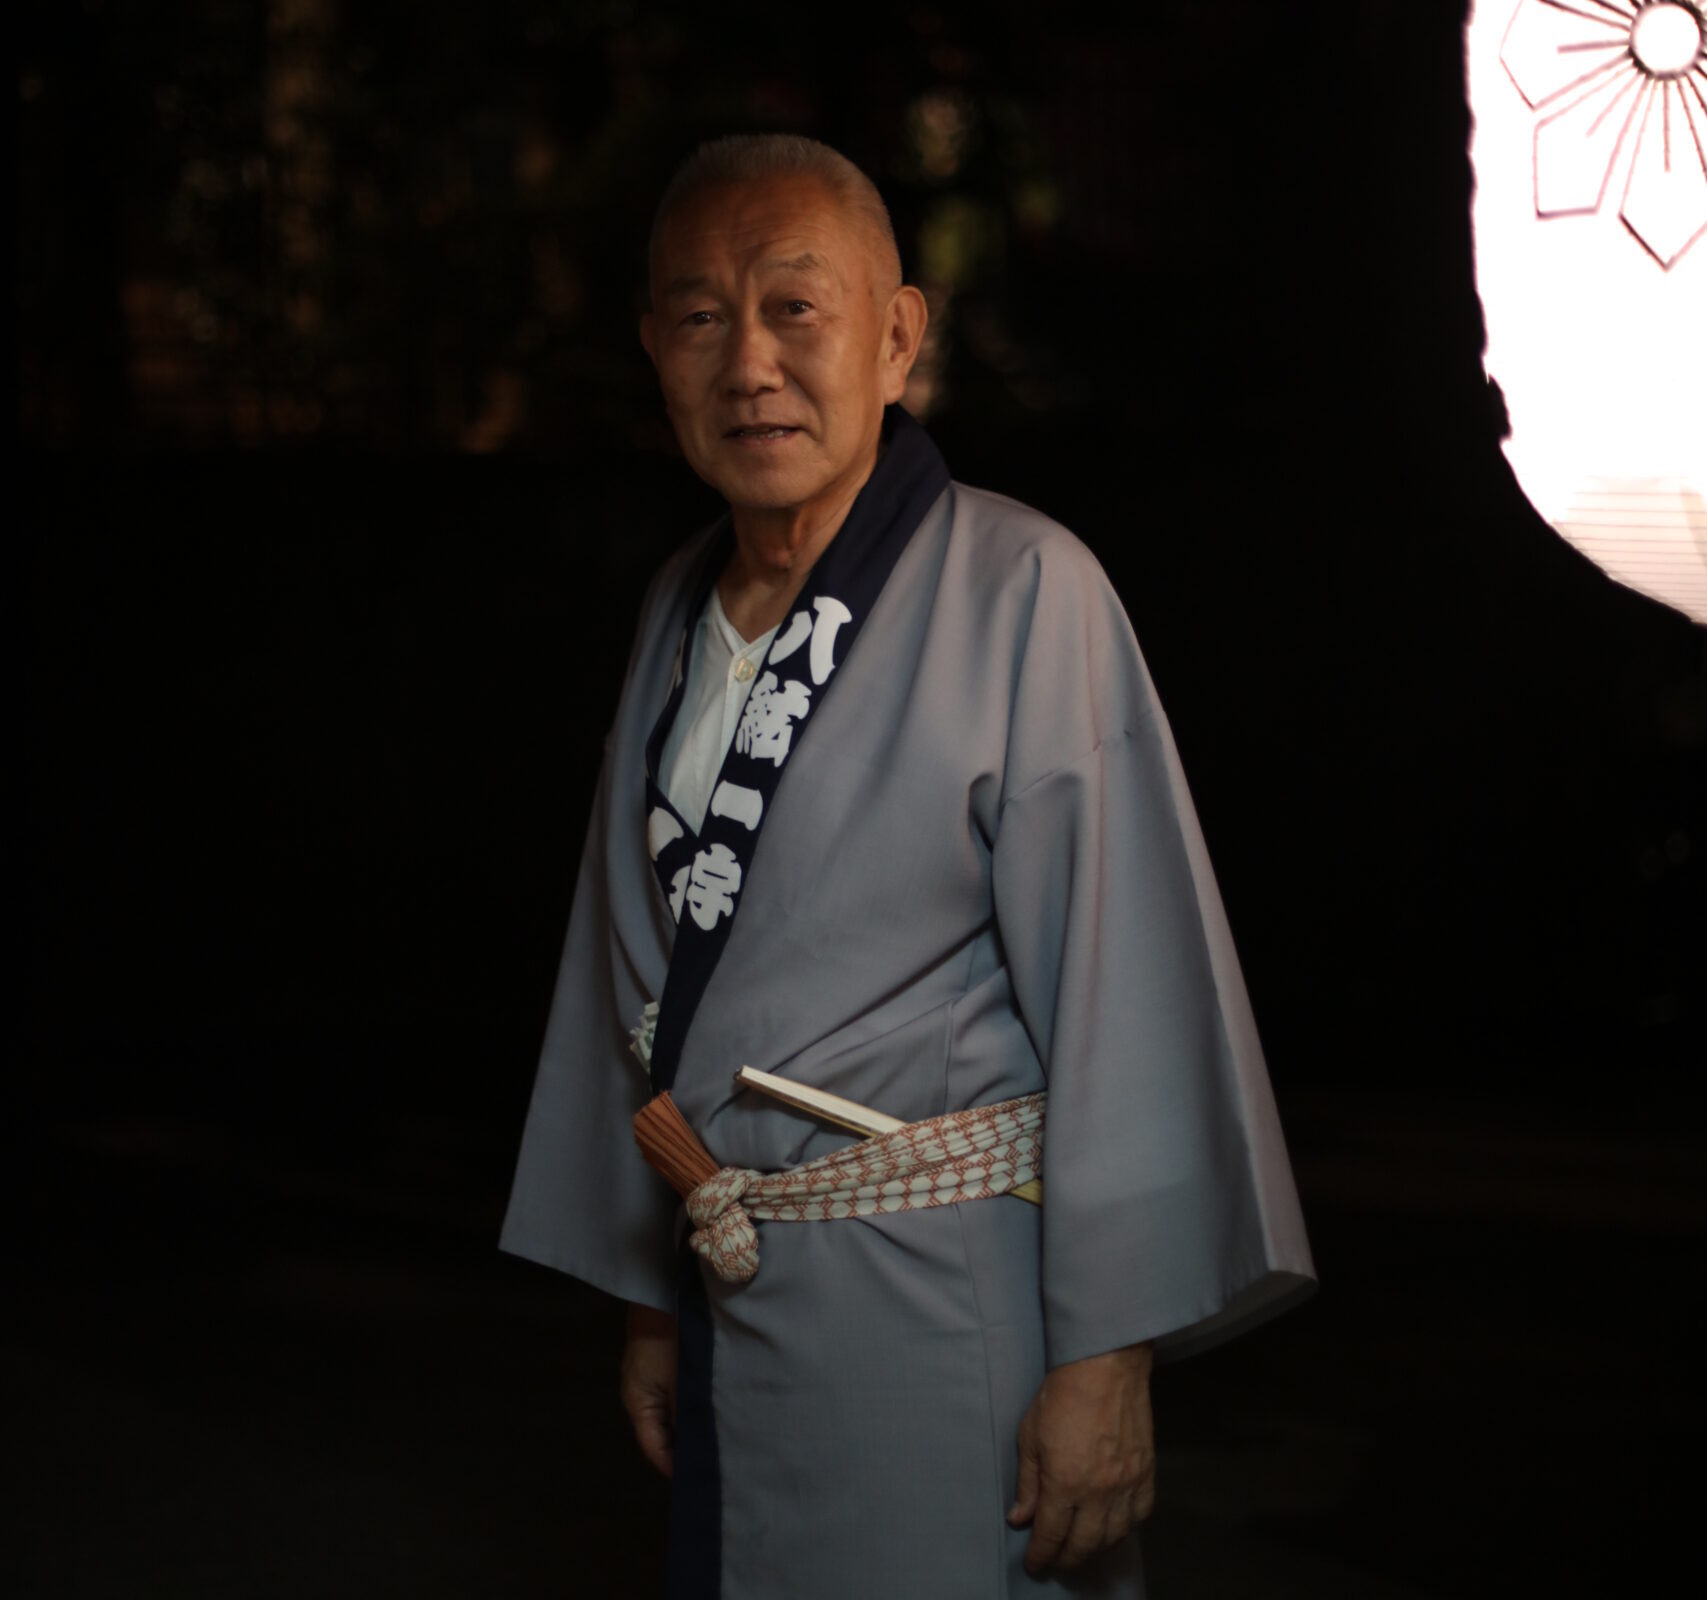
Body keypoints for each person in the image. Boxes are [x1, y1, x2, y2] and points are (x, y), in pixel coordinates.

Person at [501, 133, 1315, 1600]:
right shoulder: (675, 611)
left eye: (795, 308)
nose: (749, 362)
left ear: (897, 335)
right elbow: (630, 973)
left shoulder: (1025, 587)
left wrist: (1107, 1362)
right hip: (726, 1282)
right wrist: (646, 1303)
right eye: (700, 318)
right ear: (653, 350)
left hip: (950, 1316)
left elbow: (1123, 987)